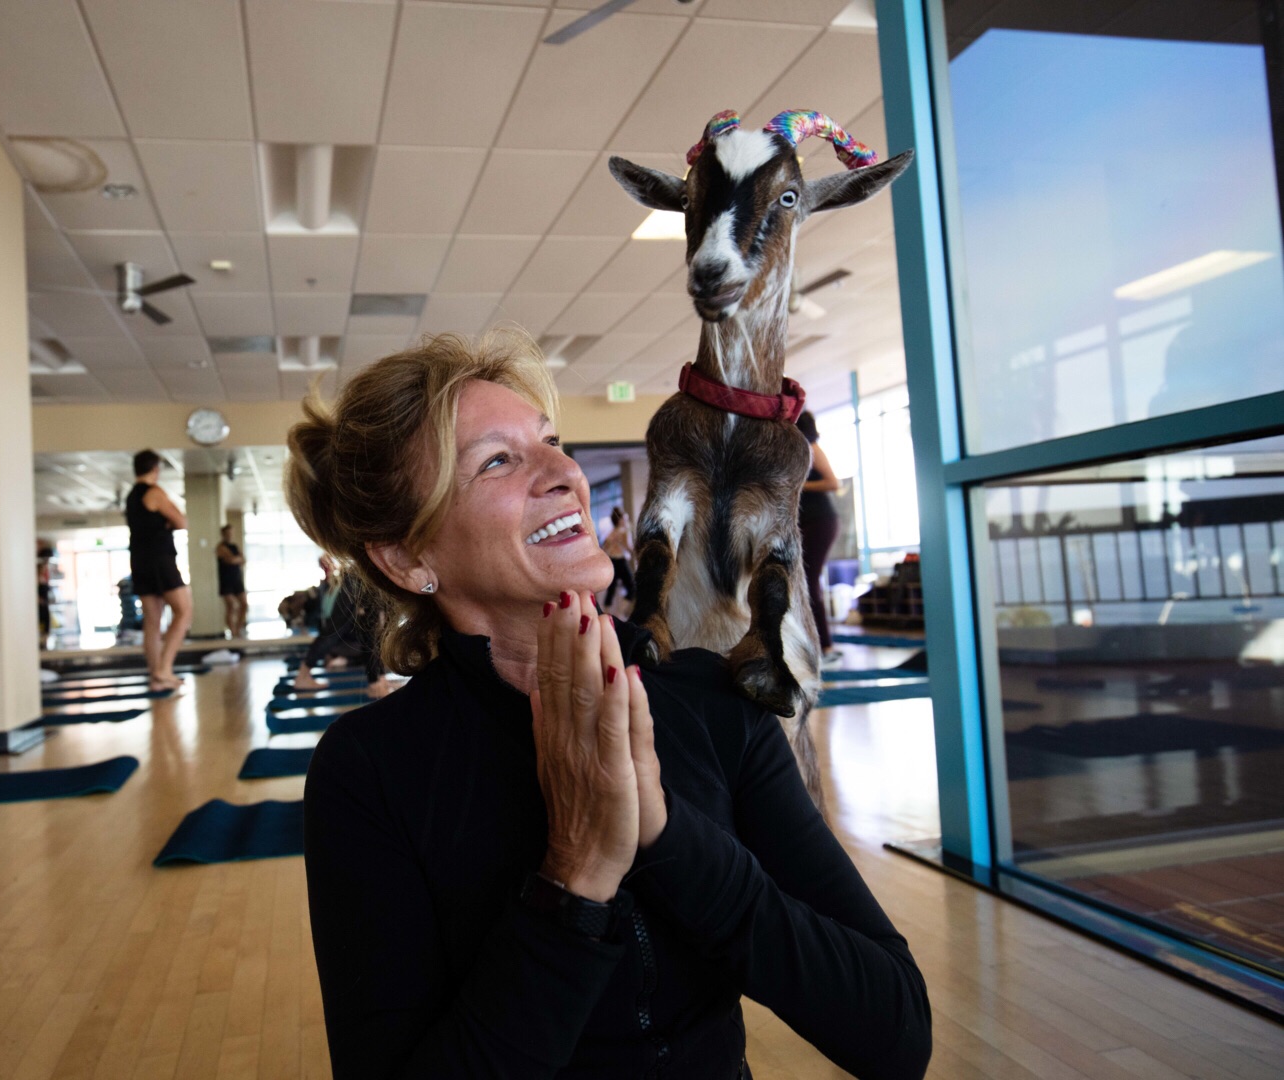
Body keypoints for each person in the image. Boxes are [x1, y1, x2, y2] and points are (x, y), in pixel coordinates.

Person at [286, 332, 931, 1078]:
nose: (564, 474)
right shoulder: (373, 770)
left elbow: (896, 1030)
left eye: (552, 442)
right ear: (407, 557)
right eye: (499, 460)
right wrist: (574, 878)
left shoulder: (711, 705)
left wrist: (662, 830)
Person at [124, 449, 191, 690]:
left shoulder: (131, 496)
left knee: (152, 620)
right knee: (183, 612)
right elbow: (182, 522)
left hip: (139, 560)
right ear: (155, 469)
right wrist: (167, 521)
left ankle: (156, 676)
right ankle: (164, 669)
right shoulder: (155, 491)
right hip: (160, 559)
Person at [291, 571, 392, 699]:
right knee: (335, 632)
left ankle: (378, 680)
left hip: (363, 578)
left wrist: (380, 677)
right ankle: (303, 676)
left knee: (369, 631)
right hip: (361, 578)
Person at [796, 410, 843, 661]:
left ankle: (824, 647)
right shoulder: (796, 451)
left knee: (809, 582)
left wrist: (798, 485)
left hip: (821, 520)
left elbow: (833, 483)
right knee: (801, 583)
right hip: (805, 521)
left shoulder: (812, 447)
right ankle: (810, 645)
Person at [600, 505, 636, 614]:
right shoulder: (623, 532)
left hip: (612, 562)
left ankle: (606, 613)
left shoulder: (611, 533)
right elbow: (629, 548)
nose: (626, 521)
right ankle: (621, 613)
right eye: (625, 519)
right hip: (620, 562)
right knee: (632, 587)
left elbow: (603, 548)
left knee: (611, 589)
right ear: (620, 520)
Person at [215, 523, 247, 639]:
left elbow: (242, 560)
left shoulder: (235, 546)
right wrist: (237, 559)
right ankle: (233, 632)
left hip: (237, 579)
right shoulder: (220, 547)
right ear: (223, 534)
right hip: (226, 581)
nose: (230, 535)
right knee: (232, 606)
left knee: (244, 604)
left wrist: (236, 559)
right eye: (228, 533)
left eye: (231, 533)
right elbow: (231, 560)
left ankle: (238, 630)